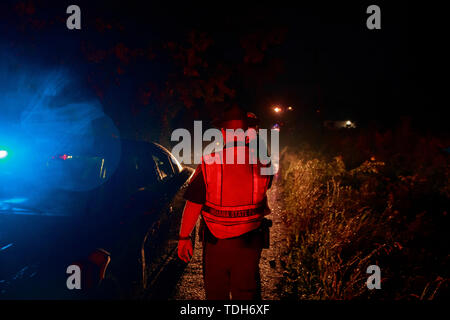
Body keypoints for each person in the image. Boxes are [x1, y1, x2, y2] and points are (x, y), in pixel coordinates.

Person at [177, 105, 273, 300]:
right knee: (246, 295)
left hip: (216, 244)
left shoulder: (210, 162)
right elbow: (268, 181)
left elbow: (194, 204)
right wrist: (254, 138)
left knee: (216, 294)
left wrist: (183, 238)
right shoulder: (262, 162)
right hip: (249, 243)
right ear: (248, 133)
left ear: (222, 133)